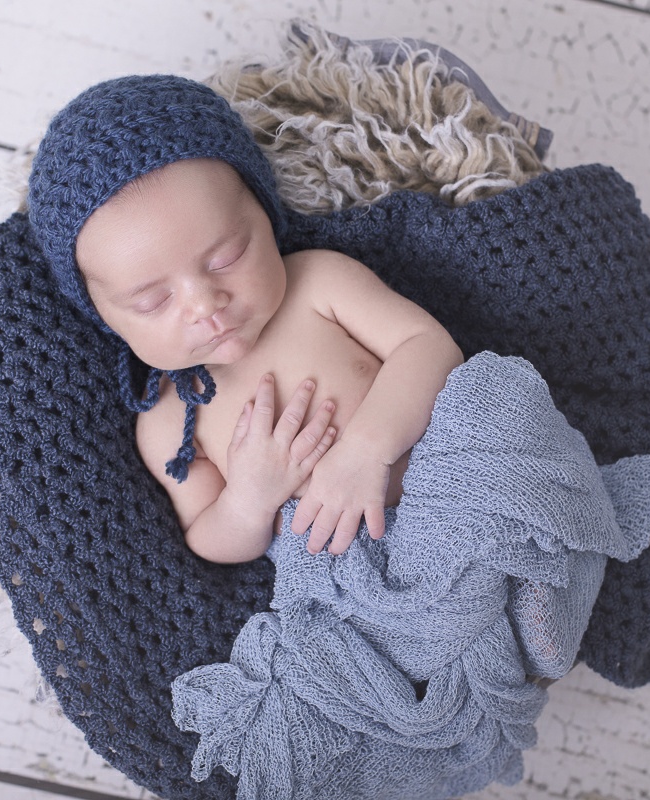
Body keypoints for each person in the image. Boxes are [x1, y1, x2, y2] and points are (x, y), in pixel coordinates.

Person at [29, 74, 462, 564]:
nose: (205, 304)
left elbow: (430, 347)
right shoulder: (168, 419)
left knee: (505, 398)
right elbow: (207, 537)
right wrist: (247, 503)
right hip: (355, 571)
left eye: (226, 258)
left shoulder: (317, 284)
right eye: (153, 302)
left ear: (266, 214)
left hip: (462, 482)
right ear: (106, 319)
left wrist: (368, 448)